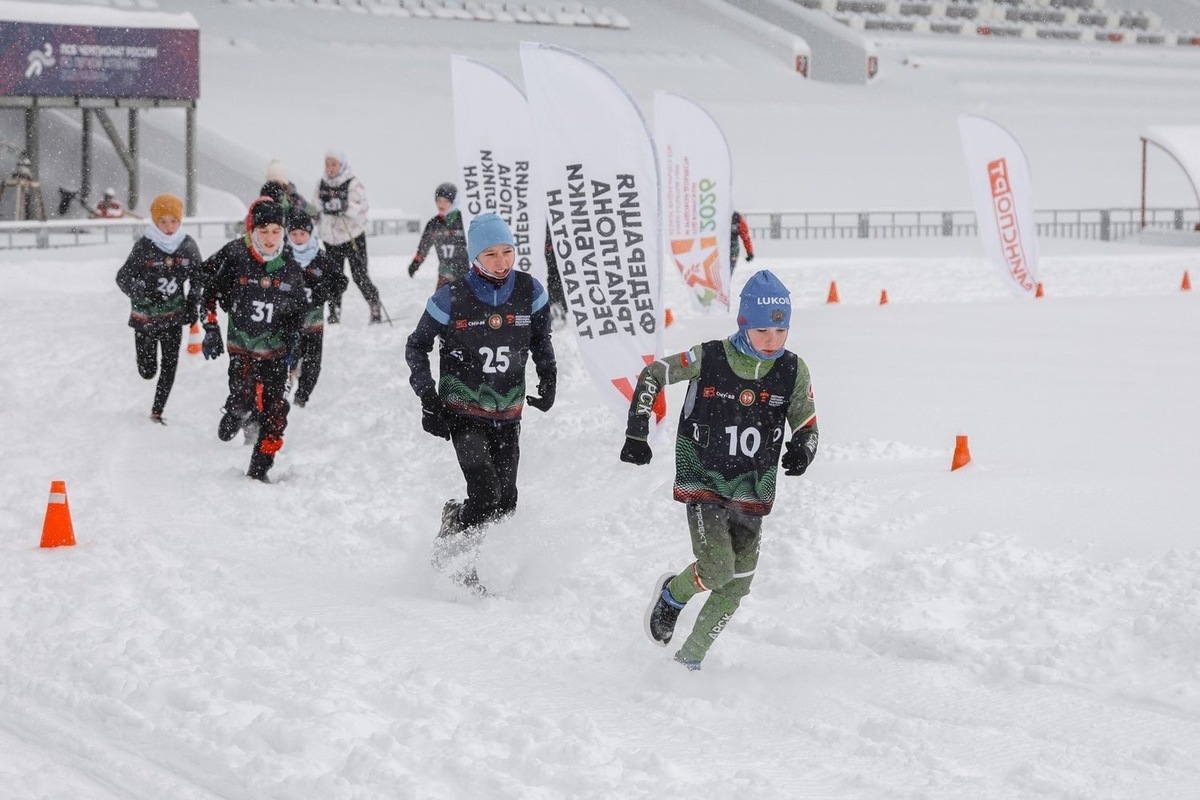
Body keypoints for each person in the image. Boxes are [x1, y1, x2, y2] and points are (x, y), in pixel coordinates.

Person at [621, 269, 818, 671]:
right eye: (763, 331)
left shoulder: (793, 370)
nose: (772, 341)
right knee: (715, 569)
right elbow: (654, 373)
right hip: (703, 482)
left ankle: (688, 661)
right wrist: (637, 430)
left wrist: (803, 449)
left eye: (781, 332)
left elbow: (808, 424)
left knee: (738, 582)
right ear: (744, 323)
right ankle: (672, 596)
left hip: (752, 491)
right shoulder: (709, 356)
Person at [405, 212, 557, 591]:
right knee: (486, 492)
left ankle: (456, 518)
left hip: (508, 412)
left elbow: (541, 339)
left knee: (506, 503)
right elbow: (417, 346)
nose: (502, 261)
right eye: (491, 254)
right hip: (463, 411)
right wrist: (427, 397)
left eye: (508, 251)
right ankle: (463, 566)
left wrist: (549, 374)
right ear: (475, 257)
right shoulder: (451, 297)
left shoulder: (530, 291)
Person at [200, 198, 307, 482]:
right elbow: (207, 293)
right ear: (253, 231)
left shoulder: (291, 268)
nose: (270, 238)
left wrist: (295, 344)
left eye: (275, 231)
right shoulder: (237, 258)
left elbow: (299, 313)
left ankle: (258, 472)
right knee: (244, 400)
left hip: (276, 353)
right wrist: (210, 328)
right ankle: (236, 411)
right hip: (243, 350)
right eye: (264, 231)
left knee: (276, 415)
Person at [114, 193, 203, 423]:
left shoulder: (188, 246)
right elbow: (123, 277)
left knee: (170, 363)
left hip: (173, 316)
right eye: (163, 221)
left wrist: (193, 304)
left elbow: (198, 277)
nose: (169, 227)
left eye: (173, 221)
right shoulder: (145, 246)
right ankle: (145, 365)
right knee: (148, 370)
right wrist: (143, 292)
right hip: (145, 317)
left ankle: (157, 411)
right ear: (154, 222)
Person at [286, 207, 348, 407]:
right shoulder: (283, 256)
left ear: (310, 234)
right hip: (287, 321)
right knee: (287, 356)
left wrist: (325, 291)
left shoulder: (321, 257)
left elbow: (341, 281)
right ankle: (285, 385)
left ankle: (302, 396)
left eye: (302, 234)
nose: (298, 238)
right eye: (293, 234)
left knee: (313, 361)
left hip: (314, 321)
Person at [315, 149, 381, 324]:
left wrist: (344, 206)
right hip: (331, 239)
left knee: (359, 275)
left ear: (342, 165)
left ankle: (374, 306)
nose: (330, 167)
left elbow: (362, 207)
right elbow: (316, 206)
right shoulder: (321, 183)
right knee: (333, 277)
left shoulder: (352, 183)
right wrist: (325, 207)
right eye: (327, 164)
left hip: (353, 237)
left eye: (334, 164)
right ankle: (334, 312)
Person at [407, 182, 469, 289]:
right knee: (438, 304)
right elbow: (423, 247)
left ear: (454, 202)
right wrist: (416, 263)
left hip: (465, 275)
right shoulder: (433, 224)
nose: (441, 205)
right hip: (444, 274)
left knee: (465, 304)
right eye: (439, 200)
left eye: (446, 201)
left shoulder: (464, 221)